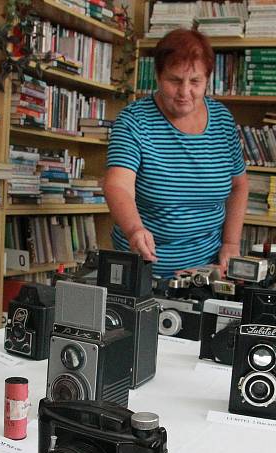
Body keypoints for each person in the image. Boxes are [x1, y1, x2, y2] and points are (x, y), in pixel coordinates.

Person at [103, 28, 248, 278]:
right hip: (145, 268)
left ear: (207, 80)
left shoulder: (222, 120)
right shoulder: (133, 121)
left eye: (195, 82)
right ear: (158, 76)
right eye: (174, 80)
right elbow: (118, 186)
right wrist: (134, 230)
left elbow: (239, 186)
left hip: (207, 271)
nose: (184, 92)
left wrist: (231, 244)